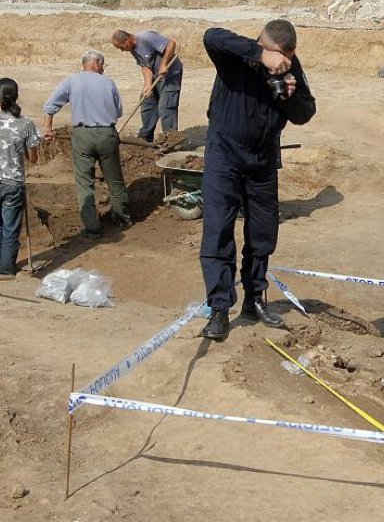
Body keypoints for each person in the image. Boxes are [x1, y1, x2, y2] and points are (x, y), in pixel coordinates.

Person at [199, 19, 316, 341]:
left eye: (287, 59)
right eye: (278, 57)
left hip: (263, 159)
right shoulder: (238, 55)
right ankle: (219, 309)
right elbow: (211, 36)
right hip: (225, 155)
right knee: (219, 231)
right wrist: (261, 56)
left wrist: (290, 95)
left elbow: (305, 113)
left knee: (262, 234)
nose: (282, 65)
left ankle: (254, 300)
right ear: (263, 45)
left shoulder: (290, 65)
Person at [43, 49, 131, 238]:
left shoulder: (72, 80)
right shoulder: (109, 83)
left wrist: (48, 129)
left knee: (84, 183)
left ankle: (92, 227)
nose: (103, 69)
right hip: (107, 134)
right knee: (114, 178)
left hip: (82, 136)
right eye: (103, 65)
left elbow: (50, 106)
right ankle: (122, 217)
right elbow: (118, 112)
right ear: (97, 63)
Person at [111, 29, 183, 143]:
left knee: (166, 107)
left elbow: (171, 44)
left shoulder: (146, 37)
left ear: (127, 40)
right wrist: (148, 85)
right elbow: (145, 65)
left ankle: (171, 141)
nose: (122, 50)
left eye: (121, 47)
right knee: (146, 101)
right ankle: (145, 138)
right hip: (155, 76)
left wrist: (164, 64)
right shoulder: (133, 48)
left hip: (170, 75)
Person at [0, 78, 39, 275]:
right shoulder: (26, 124)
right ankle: (5, 269)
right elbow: (32, 158)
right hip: (13, 182)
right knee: (10, 228)